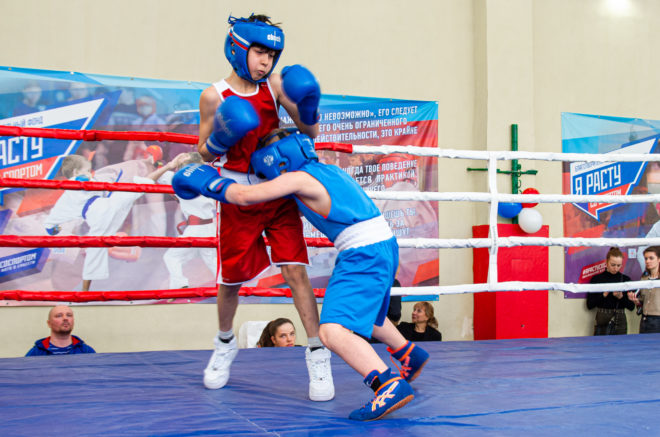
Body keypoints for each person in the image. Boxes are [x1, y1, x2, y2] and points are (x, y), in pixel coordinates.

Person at [172, 129, 431, 421]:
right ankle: (407, 353)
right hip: (385, 245)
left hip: (362, 254)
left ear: (276, 160)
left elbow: (243, 196)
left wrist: (206, 179)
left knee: (331, 331)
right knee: (362, 313)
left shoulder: (297, 178)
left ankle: (387, 384)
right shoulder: (329, 170)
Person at [194, 13, 333, 401]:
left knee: (296, 271)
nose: (266, 62)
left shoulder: (273, 86)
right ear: (238, 49)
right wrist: (221, 138)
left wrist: (309, 107)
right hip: (238, 192)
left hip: (277, 187)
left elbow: (310, 132)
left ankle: (317, 351)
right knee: (231, 279)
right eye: (259, 53)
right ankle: (224, 343)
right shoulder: (213, 96)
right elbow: (203, 152)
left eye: (272, 55)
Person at [43, 153, 187, 292]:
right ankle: (86, 290)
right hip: (94, 221)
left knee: (138, 187)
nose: (88, 174)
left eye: (88, 170)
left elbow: (128, 172)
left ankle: (168, 169)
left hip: (106, 209)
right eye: (85, 171)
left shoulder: (97, 179)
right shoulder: (66, 199)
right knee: (94, 256)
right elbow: (52, 227)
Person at [160, 152, 217, 289]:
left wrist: (170, 165)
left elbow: (154, 177)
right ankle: (230, 289)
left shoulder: (179, 180)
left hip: (196, 228)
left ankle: (180, 285)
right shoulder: (208, 180)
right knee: (211, 260)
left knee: (171, 257)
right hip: (209, 226)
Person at [586, 247, 635, 335]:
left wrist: (621, 297)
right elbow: (589, 305)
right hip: (602, 319)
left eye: (619, 265)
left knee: (621, 344)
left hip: (620, 320)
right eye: (613, 265)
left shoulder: (626, 280)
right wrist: (604, 295)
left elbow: (632, 307)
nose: (615, 268)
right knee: (600, 344)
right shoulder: (597, 279)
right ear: (606, 262)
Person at [26, 305, 96, 356]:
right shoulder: (36, 353)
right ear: (49, 323)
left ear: (73, 321)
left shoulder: (86, 351)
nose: (65, 318)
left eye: (69, 315)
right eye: (59, 315)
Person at [630, 246, 660, 333]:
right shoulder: (644, 278)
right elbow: (643, 301)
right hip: (644, 319)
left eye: (651, 258)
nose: (647, 261)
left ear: (659, 259)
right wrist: (636, 301)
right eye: (646, 258)